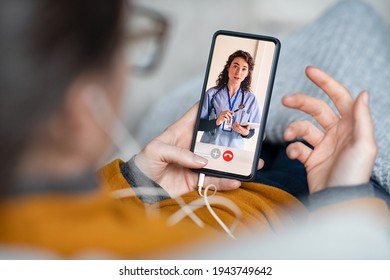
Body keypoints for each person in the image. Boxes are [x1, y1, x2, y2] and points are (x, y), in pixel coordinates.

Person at [0, 0, 388, 259]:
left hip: (212, 176)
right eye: (129, 44)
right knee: (353, 22)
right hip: (305, 206)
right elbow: (355, 253)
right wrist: (347, 199)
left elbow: (252, 116)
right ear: (81, 108)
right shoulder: (186, 255)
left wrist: (135, 181)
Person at [198, 50, 261, 149]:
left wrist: (245, 132)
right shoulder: (212, 93)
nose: (238, 72)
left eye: (244, 69)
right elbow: (198, 125)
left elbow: (251, 132)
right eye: (235, 66)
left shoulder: (251, 99)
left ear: (247, 73)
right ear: (228, 67)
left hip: (233, 151)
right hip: (209, 147)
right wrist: (216, 121)